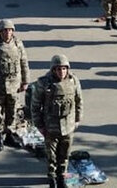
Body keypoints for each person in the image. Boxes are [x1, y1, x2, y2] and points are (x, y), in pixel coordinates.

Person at [31, 54, 83, 188]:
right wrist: (39, 125)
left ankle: (62, 175)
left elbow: (78, 101)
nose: (62, 72)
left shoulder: (74, 81)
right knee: (51, 155)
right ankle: (52, 177)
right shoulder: (44, 83)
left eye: (64, 69)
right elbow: (35, 106)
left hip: (68, 125)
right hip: (50, 126)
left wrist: (77, 119)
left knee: (65, 154)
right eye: (58, 69)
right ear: (53, 70)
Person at [0, 19, 30, 152]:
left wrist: (25, 81)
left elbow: (24, 63)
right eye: (5, 31)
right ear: (0, 32)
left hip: (14, 86)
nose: (7, 33)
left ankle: (9, 135)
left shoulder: (18, 45)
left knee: (12, 112)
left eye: (10, 30)